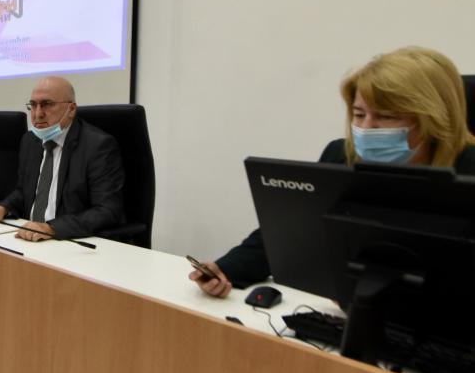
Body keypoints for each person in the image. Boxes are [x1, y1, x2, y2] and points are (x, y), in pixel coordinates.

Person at [191, 46, 475, 298]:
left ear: (434, 119)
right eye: (359, 114)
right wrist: (226, 270)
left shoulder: (468, 170)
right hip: (351, 315)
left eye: (387, 116)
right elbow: (292, 231)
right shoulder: (340, 155)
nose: (366, 128)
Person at [0, 76, 125, 241]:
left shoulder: (97, 145)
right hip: (30, 237)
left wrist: (51, 228)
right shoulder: (30, 141)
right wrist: (4, 207)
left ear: (71, 109)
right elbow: (24, 192)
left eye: (47, 104)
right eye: (33, 105)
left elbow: (108, 210)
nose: (38, 114)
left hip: (68, 239)